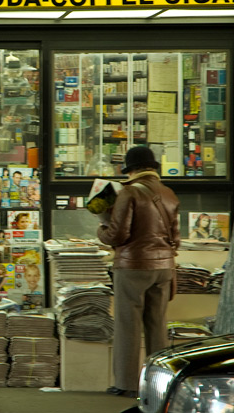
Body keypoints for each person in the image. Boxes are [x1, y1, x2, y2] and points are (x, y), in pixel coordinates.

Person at [96, 146, 180, 399]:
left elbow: (117, 235)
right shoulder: (169, 193)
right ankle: (160, 383)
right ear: (152, 167)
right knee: (157, 326)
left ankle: (127, 383)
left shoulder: (129, 192)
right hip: (164, 267)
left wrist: (101, 229)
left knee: (127, 325)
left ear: (131, 170)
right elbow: (176, 238)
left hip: (133, 266)